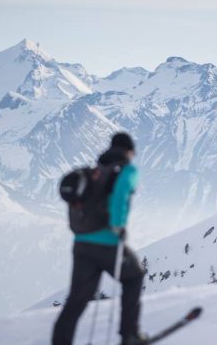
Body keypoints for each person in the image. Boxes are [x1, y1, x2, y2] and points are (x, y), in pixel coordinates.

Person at [52, 133, 147, 345]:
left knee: (78, 299)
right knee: (134, 276)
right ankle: (129, 335)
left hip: (81, 244)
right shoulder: (127, 170)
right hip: (107, 243)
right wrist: (118, 226)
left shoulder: (96, 171)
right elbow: (120, 198)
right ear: (128, 151)